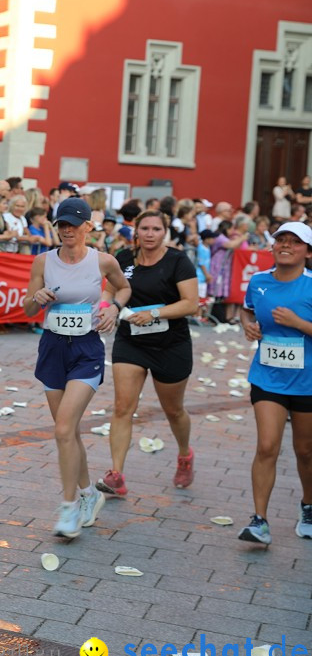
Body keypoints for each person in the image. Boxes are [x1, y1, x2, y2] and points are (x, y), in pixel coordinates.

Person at [23, 197, 131, 538]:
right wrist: (36, 299)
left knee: (63, 429)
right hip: (53, 348)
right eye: (62, 224)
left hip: (86, 350)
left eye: (73, 224)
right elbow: (26, 308)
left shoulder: (103, 261)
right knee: (67, 431)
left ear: (88, 226)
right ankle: (88, 494)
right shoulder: (43, 261)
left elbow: (125, 287)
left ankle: (69, 508)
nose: (67, 230)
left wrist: (113, 307)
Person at [96, 211, 200, 497]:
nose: (150, 233)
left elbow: (192, 304)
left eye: (156, 228)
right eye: (145, 228)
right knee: (122, 407)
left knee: (174, 410)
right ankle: (116, 475)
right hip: (132, 342)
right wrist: (106, 309)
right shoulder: (124, 258)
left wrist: (154, 313)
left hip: (171, 345)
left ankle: (184, 455)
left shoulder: (178, 260)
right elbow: (111, 290)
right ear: (136, 231)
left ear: (164, 232)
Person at [238, 222, 312, 544]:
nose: (285, 245)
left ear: (307, 252)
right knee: (267, 446)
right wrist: (249, 326)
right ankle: (259, 521)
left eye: (294, 242)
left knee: (306, 451)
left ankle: (308, 507)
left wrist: (298, 324)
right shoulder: (258, 281)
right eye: (280, 240)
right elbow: (247, 311)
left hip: (308, 381)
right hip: (267, 376)